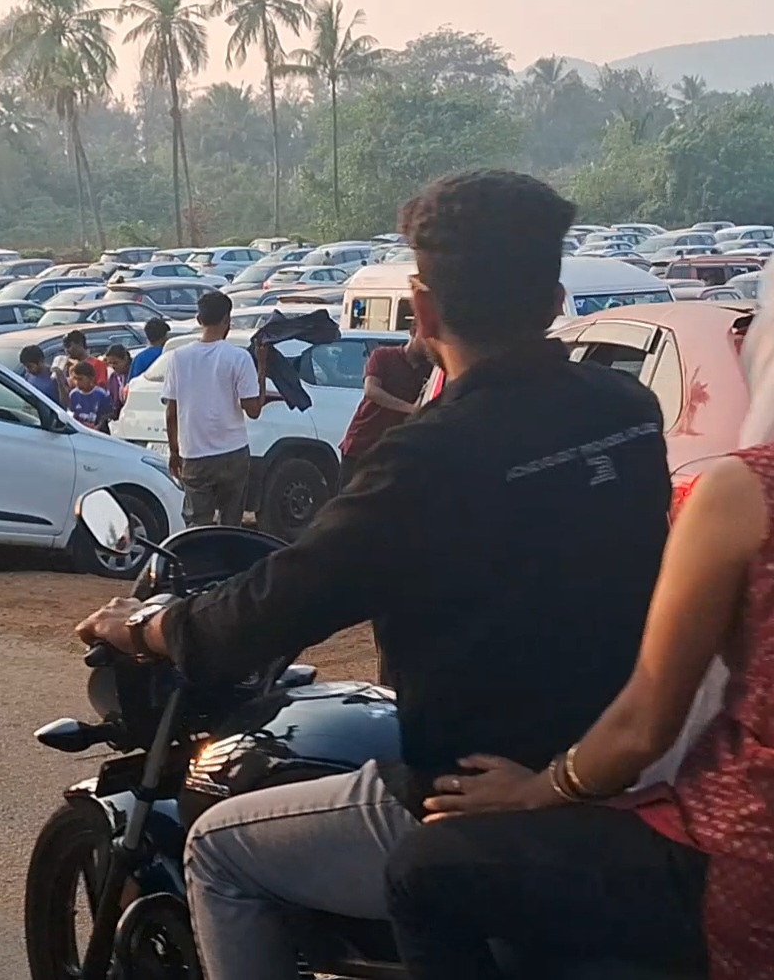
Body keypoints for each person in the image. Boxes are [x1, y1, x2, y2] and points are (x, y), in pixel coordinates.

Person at [74, 170, 672, 980]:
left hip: (471, 792)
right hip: (627, 771)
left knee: (217, 849)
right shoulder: (626, 411)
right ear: (555, 299)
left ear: (422, 310)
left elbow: (279, 601)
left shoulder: (427, 458)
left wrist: (148, 626)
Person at [385, 273, 774, 980]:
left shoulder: (744, 492)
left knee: (420, 872)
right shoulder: (627, 409)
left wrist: (537, 790)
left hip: (739, 859)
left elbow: (645, 725)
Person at [163, 290, 267, 527]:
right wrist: (262, 368)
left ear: (199, 320)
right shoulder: (239, 357)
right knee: (231, 523)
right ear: (227, 320)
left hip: (194, 454)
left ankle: (199, 552)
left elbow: (171, 412)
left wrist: (174, 451)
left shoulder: (178, 358)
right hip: (233, 453)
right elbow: (253, 410)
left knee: (197, 523)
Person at [339, 327, 431, 489]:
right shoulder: (383, 356)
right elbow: (371, 390)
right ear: (413, 331)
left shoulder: (430, 370)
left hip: (395, 450)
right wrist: (411, 409)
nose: (429, 344)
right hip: (362, 444)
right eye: (426, 337)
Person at [68, 361, 112, 429]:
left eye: (80, 379)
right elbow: (71, 414)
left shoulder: (102, 395)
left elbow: (107, 415)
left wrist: (99, 425)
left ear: (91, 379)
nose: (77, 382)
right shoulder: (73, 394)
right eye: (75, 379)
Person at [104, 344, 132, 421]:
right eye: (110, 363)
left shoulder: (133, 374)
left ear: (125, 359)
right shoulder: (113, 377)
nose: (112, 366)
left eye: (115, 363)